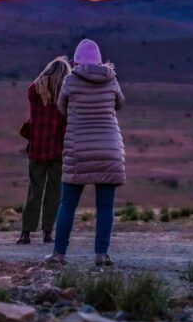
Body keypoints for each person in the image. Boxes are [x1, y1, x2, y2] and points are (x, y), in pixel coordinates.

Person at [46, 39, 125, 267]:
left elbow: (62, 107)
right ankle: (101, 254)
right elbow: (120, 104)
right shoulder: (111, 80)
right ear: (100, 60)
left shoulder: (70, 81)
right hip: (109, 149)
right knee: (105, 206)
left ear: (76, 61)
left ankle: (59, 254)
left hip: (78, 148)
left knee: (68, 204)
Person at [17, 57, 70, 245]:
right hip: (58, 147)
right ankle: (48, 231)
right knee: (54, 191)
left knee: (34, 189)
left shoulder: (34, 89)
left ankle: (26, 232)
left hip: (37, 146)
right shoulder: (65, 93)